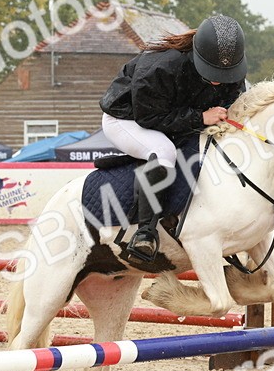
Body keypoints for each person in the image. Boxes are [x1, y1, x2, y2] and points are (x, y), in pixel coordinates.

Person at [99, 14, 248, 263]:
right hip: (127, 119)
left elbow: (230, 103)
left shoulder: (231, 71)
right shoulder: (160, 67)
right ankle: (145, 233)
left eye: (225, 72)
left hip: (172, 117)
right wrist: (200, 118)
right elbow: (150, 118)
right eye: (213, 71)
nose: (218, 79)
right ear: (198, 55)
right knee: (163, 150)